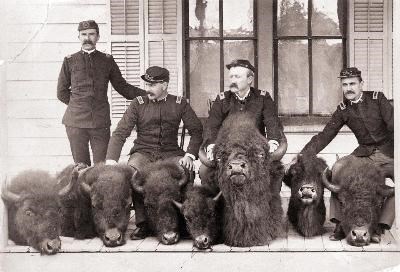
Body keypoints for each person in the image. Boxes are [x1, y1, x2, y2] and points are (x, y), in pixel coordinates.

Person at [105, 66, 203, 239]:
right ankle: (142, 224)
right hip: (143, 152)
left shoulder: (180, 103)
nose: (147, 89)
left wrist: (189, 155)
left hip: (171, 153)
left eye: (152, 85)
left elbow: (196, 130)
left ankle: (182, 219)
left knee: (186, 170)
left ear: (164, 85)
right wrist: (111, 160)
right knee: (133, 173)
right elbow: (120, 132)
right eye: (147, 85)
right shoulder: (138, 104)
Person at [297, 67, 394, 242]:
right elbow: (324, 136)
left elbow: (395, 126)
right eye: (345, 84)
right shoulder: (343, 109)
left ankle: (379, 227)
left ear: (361, 84)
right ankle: (340, 225)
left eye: (352, 84)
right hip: (366, 155)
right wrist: (302, 156)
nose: (349, 88)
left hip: (392, 153)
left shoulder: (378, 99)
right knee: (337, 169)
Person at [57, 20, 146, 166]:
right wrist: (78, 105)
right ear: (78, 37)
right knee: (81, 167)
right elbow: (61, 92)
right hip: (75, 123)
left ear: (97, 37)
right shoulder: (70, 61)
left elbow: (122, 86)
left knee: (101, 166)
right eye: (83, 34)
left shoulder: (107, 60)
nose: (87, 38)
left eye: (91, 34)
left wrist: (146, 94)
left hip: (99, 121)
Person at [199, 59, 286, 189]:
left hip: (255, 152)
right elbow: (212, 126)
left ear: (250, 79)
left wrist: (272, 142)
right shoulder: (222, 99)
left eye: (237, 77)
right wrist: (211, 146)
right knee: (204, 171)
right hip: (227, 153)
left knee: (276, 169)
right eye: (231, 77)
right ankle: (216, 207)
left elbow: (272, 123)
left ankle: (268, 207)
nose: (233, 80)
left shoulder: (263, 98)